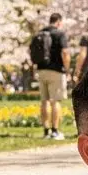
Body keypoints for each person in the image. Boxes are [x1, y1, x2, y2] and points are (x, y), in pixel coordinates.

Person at [30, 12, 70, 140]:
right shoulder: (60, 34)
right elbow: (65, 52)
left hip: (41, 70)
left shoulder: (40, 33)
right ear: (59, 22)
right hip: (56, 71)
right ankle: (55, 131)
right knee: (56, 101)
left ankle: (46, 131)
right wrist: (67, 69)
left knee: (44, 101)